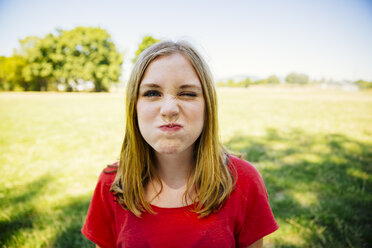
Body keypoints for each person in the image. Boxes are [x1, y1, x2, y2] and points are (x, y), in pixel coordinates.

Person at [82, 40, 279, 248]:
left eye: (187, 93)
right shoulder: (111, 184)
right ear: (134, 107)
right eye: (152, 93)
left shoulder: (244, 182)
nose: (169, 109)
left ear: (207, 107)